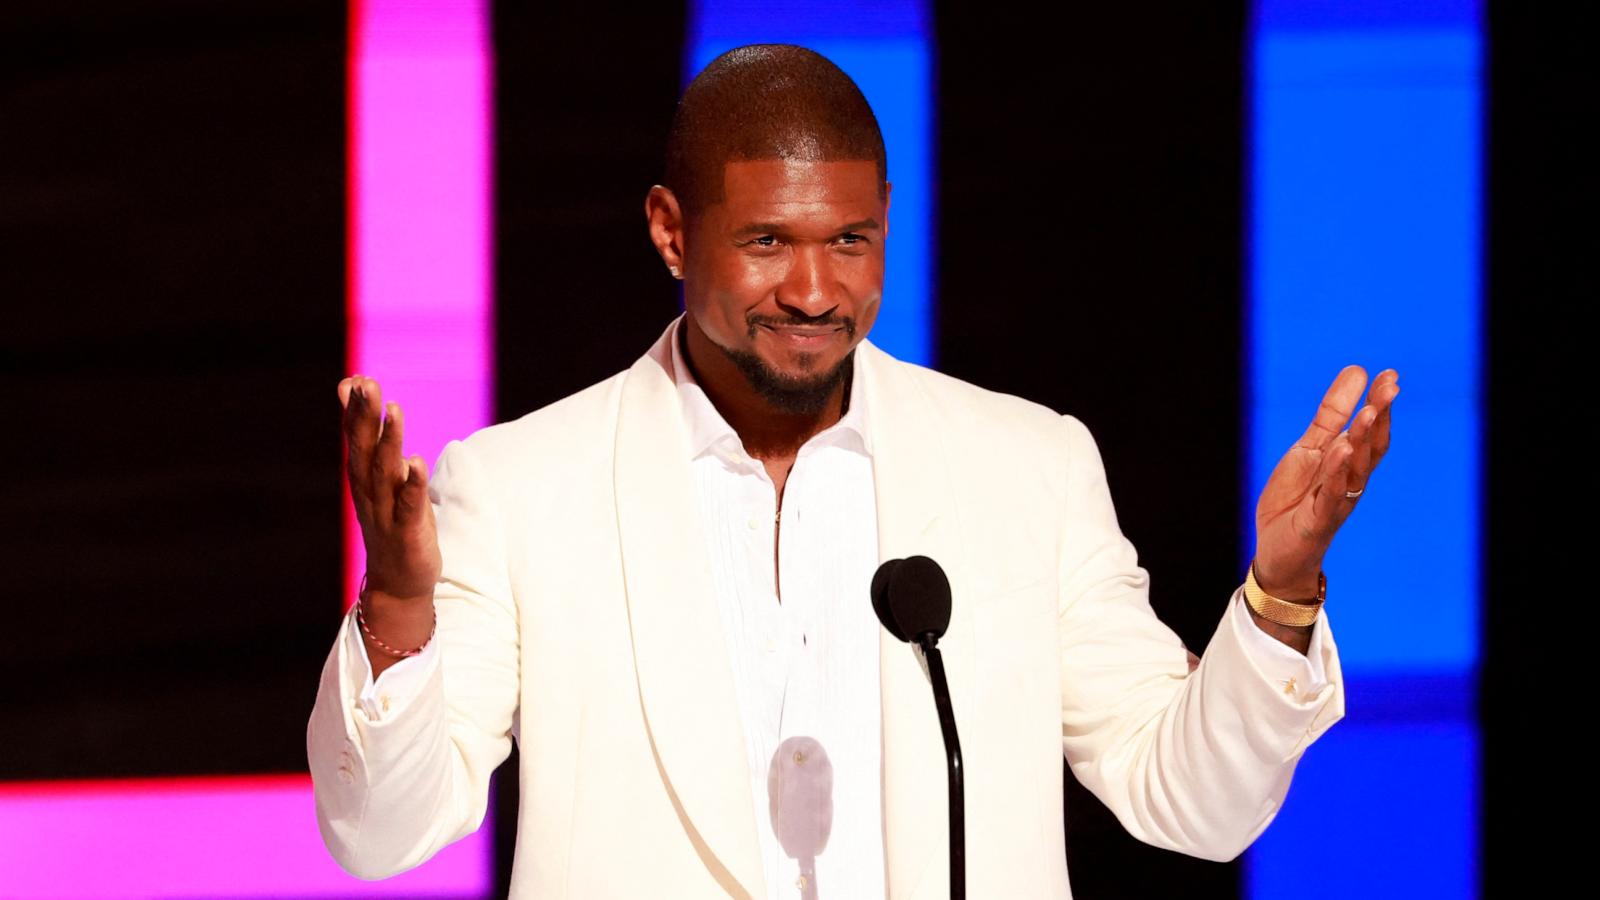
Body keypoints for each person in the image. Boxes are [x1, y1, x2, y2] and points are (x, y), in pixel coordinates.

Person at [307, 44, 1398, 899]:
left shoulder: (1029, 468)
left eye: (853, 240)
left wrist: (1281, 594)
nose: (817, 290)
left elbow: (1192, 806)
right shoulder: (518, 488)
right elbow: (380, 835)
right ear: (671, 231)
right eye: (770, 242)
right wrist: (399, 612)